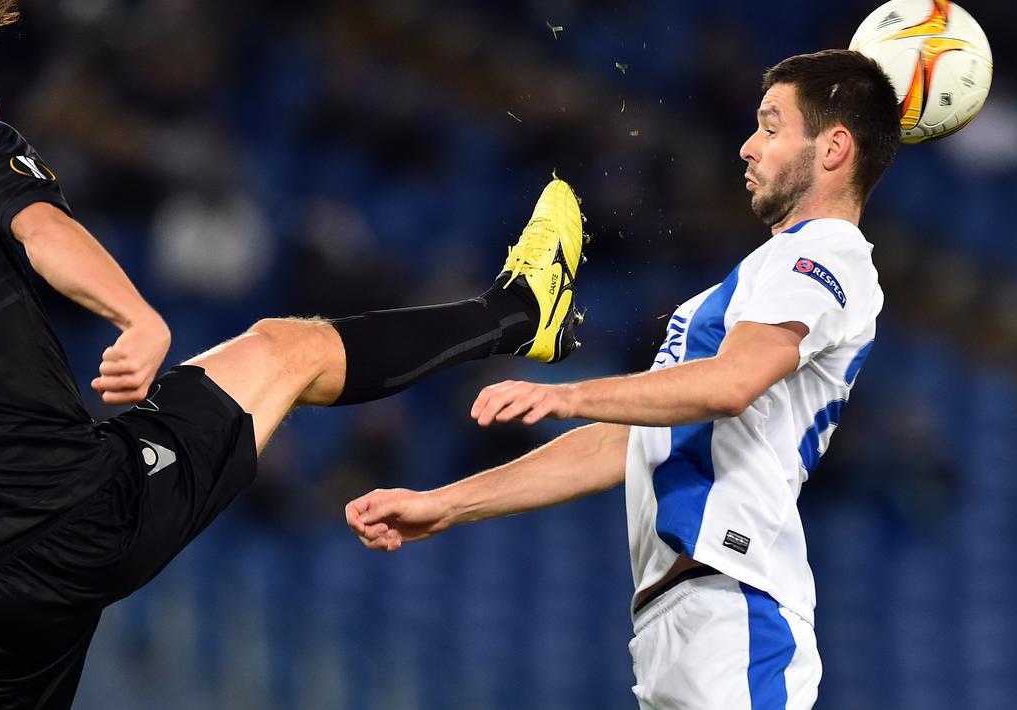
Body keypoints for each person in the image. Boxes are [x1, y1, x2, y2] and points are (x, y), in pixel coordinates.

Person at [0, 1, 589, 708]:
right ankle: (518, 313)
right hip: (77, 518)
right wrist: (136, 316)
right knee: (285, 347)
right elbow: (45, 232)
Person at [347, 48, 901, 709]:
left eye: (771, 126)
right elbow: (629, 439)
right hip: (680, 622)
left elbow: (730, 383)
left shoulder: (821, 255)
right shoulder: (759, 276)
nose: (748, 147)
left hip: (735, 608)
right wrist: (447, 504)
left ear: (834, 148)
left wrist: (570, 394)